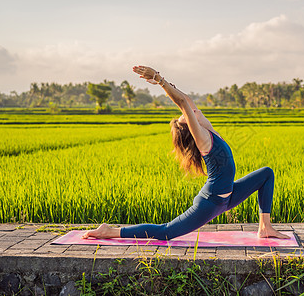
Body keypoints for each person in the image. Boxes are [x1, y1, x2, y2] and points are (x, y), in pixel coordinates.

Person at [82, 66, 289, 240]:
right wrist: (159, 79)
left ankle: (265, 227)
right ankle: (109, 231)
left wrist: (165, 84)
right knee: (165, 232)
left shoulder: (208, 127)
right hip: (211, 202)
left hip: (228, 196)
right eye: (185, 115)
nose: (190, 111)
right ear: (190, 126)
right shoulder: (203, 139)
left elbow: (186, 100)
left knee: (266, 174)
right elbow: (182, 103)